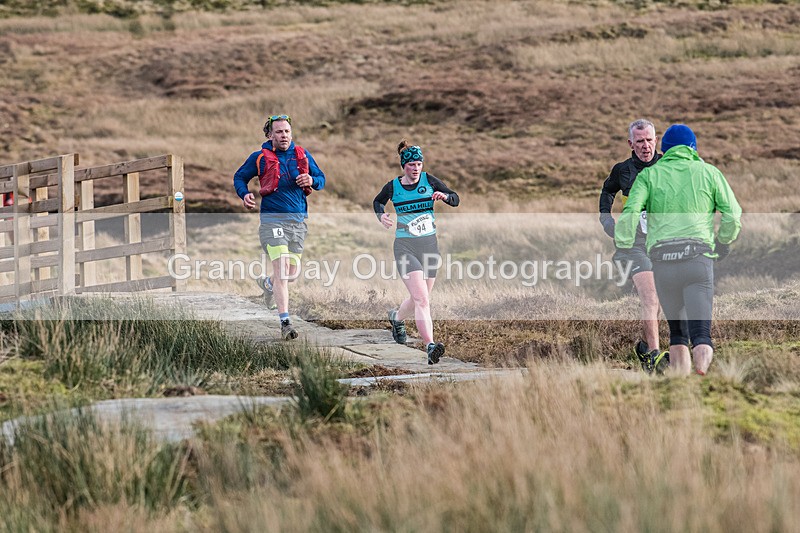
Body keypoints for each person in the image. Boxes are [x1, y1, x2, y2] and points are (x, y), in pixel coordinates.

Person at [615, 124, 742, 376]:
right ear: (693, 148)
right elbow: (732, 215)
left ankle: (680, 384)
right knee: (701, 334)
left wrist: (625, 244)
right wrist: (722, 242)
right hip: (697, 259)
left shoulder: (649, 175)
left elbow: (630, 213)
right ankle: (701, 373)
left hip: (663, 262)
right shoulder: (709, 172)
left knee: (677, 334)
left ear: (664, 148)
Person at [233, 114, 326, 341]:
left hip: (298, 222)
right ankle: (285, 322)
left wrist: (312, 180)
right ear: (270, 135)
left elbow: (321, 178)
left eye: (287, 131)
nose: (284, 136)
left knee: (292, 274)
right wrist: (244, 194)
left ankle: (267, 284)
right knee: (283, 271)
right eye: (279, 132)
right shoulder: (259, 158)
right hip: (272, 221)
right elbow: (239, 177)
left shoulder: (302, 154)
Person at [373, 140, 460, 365]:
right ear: (404, 166)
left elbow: (455, 198)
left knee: (419, 297)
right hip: (405, 247)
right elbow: (378, 202)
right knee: (422, 299)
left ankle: (396, 318)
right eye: (411, 164)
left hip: (429, 246)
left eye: (419, 164)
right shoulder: (393, 186)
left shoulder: (429, 181)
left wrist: (445, 197)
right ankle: (430, 346)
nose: (416, 168)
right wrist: (381, 215)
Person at [599, 119, 665, 373]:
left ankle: (645, 347)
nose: (646, 146)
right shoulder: (622, 170)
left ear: (656, 140)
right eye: (640, 141)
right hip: (633, 245)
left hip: (662, 243)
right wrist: (606, 219)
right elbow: (607, 191)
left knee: (660, 301)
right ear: (631, 143)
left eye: (649, 140)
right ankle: (655, 357)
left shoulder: (667, 166)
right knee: (650, 297)